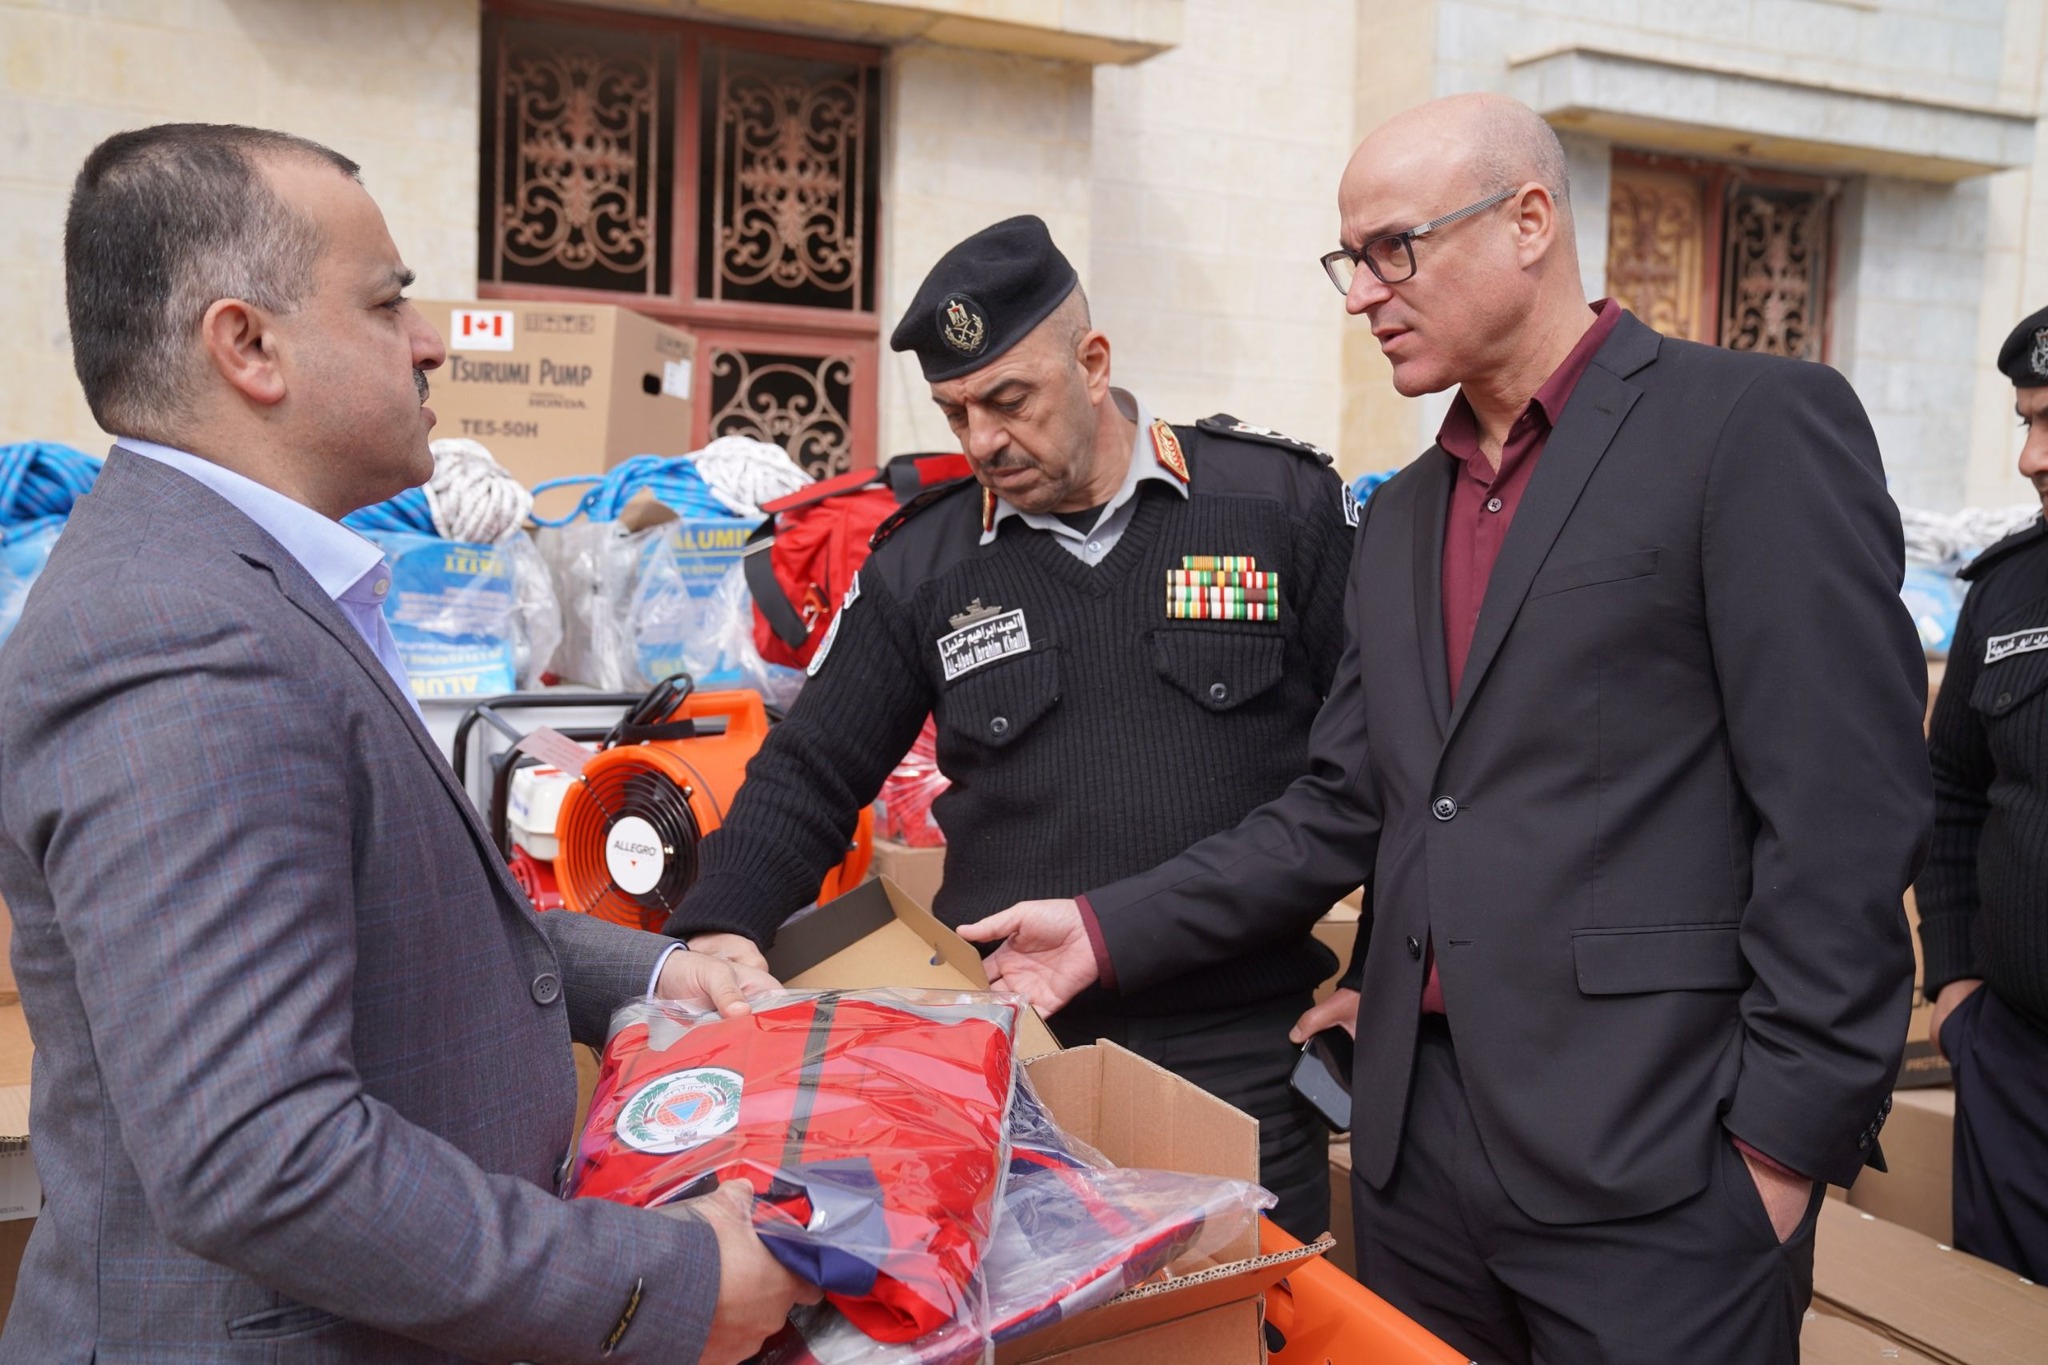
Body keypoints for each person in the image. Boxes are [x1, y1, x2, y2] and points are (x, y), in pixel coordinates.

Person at [969, 94, 1930, 1362]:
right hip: (1419, 1164)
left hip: (1660, 1164)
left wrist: (1779, 1148)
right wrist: (1103, 929)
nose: (1362, 295)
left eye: (1393, 249)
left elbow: (1843, 809)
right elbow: (1352, 803)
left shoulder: (1744, 427)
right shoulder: (1404, 513)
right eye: (1349, 259)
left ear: (1527, 221)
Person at [0, 124, 816, 1364]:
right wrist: (665, 1285)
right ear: (247, 346)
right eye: (387, 304)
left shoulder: (248, 588)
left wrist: (653, 976)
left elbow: (387, 919)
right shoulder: (179, 635)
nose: (431, 341)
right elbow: (261, 1158)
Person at [662, 215, 1356, 1239]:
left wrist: (1383, 979)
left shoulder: (1275, 507)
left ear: (1092, 363)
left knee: (1248, 1314)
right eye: (956, 411)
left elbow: (1390, 766)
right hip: (1021, 1056)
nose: (982, 439)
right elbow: (810, 772)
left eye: (1008, 399)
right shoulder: (925, 567)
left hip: (1240, 1050)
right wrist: (719, 925)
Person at [1916, 306, 2048, 1281]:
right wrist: (1956, 982)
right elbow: (1951, 788)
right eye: (2026, 423)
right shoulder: (2005, 591)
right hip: (2016, 1073)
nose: (2030, 459)